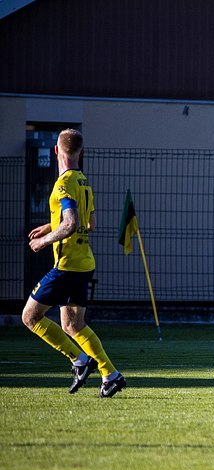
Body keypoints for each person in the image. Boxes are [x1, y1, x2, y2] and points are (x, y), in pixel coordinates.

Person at [22, 129, 126, 398]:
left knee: (30, 317)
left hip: (67, 265)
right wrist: (50, 225)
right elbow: (90, 224)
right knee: (73, 325)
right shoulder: (83, 182)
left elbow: (70, 224)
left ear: (56, 151)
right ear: (82, 153)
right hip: (84, 262)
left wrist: (43, 241)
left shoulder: (63, 184)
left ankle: (79, 361)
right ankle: (110, 374)